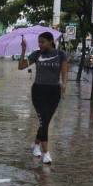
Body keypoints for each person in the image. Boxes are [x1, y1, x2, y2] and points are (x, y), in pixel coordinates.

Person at [18, 32, 68, 165]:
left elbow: (64, 71)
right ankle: (46, 153)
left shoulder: (61, 54)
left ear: (51, 41)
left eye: (42, 42)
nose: (40, 44)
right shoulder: (37, 54)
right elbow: (21, 66)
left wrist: (64, 84)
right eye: (39, 42)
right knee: (43, 120)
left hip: (54, 92)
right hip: (38, 91)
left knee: (45, 121)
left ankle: (36, 145)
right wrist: (23, 50)